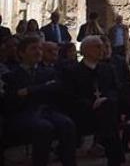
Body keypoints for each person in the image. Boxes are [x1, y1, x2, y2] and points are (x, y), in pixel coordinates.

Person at [1, 36, 77, 166]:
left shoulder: (48, 72)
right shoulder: (11, 76)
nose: (38, 52)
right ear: (21, 53)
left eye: (40, 49)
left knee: (67, 124)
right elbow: (12, 99)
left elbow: (55, 87)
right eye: (33, 49)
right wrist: (43, 88)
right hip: (23, 114)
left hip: (47, 111)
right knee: (43, 127)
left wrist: (29, 90)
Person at [62, 35, 126, 166]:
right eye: (97, 47)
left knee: (107, 107)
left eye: (102, 46)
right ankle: (116, 157)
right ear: (85, 50)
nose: (102, 49)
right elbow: (70, 96)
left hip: (106, 110)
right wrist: (92, 103)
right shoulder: (72, 71)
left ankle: (113, 155)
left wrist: (106, 98)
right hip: (84, 112)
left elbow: (115, 89)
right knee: (109, 116)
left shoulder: (108, 68)